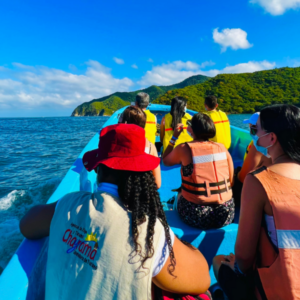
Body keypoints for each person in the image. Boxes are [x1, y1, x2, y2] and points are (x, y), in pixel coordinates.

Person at [20, 124, 211, 300]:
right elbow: (203, 279)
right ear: (144, 173)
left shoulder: (69, 204)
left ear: (98, 169)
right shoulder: (148, 231)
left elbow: (26, 225)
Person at [213, 104, 300, 300]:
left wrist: (238, 266)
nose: (253, 135)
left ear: (271, 138)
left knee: (219, 262)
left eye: (257, 129)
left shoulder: (259, 181)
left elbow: (244, 258)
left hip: (280, 290)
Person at [163, 113, 235, 230]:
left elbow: (166, 161)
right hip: (226, 213)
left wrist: (174, 137)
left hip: (197, 215)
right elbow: (231, 182)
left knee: (179, 194)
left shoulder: (183, 149)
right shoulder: (222, 148)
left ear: (191, 129)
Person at [232, 113, 272, 207]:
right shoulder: (276, 143)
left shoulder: (258, 145)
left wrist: (234, 176)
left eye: (251, 127)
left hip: (257, 188)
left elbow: (243, 177)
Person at [119, 105, 161, 189]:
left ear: (125, 123)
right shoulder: (150, 146)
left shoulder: (116, 143)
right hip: (143, 192)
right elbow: (157, 183)